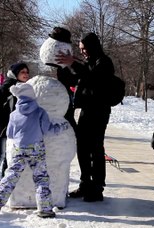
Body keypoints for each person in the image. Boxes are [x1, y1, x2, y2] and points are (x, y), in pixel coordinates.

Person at [0, 83, 68, 218]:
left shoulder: (14, 114)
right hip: (36, 149)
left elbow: (10, 133)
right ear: (32, 96)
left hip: (19, 148)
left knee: (11, 176)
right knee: (41, 178)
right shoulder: (40, 112)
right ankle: (44, 209)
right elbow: (48, 130)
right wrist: (62, 127)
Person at [55, 32, 114, 202]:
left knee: (95, 149)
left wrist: (74, 63)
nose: (83, 52)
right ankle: (85, 184)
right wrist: (63, 66)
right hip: (86, 111)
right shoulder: (88, 63)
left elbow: (93, 78)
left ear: (92, 46)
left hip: (99, 112)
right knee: (82, 149)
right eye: (80, 50)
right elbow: (76, 79)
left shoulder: (104, 62)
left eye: (84, 49)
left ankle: (97, 188)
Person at [0, 62, 30, 198]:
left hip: (14, 128)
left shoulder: (24, 87)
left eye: (27, 72)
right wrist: (8, 121)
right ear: (16, 74)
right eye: (23, 72)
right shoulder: (8, 86)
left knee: (10, 155)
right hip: (2, 127)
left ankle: (4, 182)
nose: (26, 75)